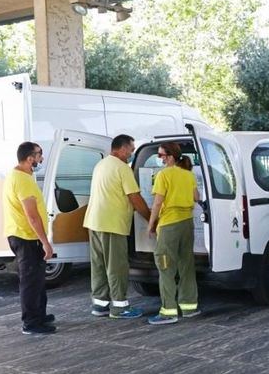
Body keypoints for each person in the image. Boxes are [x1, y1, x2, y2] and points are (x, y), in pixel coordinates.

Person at [83, 134, 151, 319]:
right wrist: (152, 220)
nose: (132, 153)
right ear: (121, 148)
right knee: (117, 266)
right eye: (131, 149)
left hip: (94, 222)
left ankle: (100, 304)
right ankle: (120, 307)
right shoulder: (122, 168)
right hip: (112, 223)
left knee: (98, 265)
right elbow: (135, 197)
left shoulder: (101, 165)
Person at [3, 142, 56, 334]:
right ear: (29, 158)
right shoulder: (22, 180)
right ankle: (31, 323)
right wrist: (45, 242)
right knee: (30, 281)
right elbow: (32, 216)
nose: (41, 158)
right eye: (39, 154)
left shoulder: (21, 176)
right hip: (25, 236)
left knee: (37, 279)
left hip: (24, 235)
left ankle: (39, 314)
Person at [146, 142, 201, 325]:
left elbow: (157, 203)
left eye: (161, 155)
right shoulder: (189, 175)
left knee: (165, 266)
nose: (159, 158)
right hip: (187, 224)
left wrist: (151, 224)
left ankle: (168, 311)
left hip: (169, 224)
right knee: (186, 265)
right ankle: (189, 307)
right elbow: (196, 198)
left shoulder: (164, 175)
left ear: (170, 156)